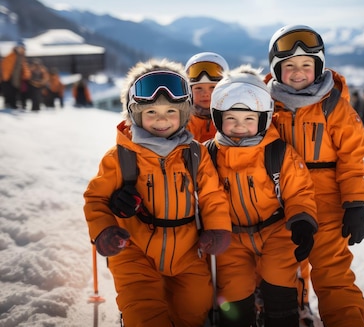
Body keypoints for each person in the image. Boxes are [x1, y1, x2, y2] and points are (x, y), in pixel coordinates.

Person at [83, 59, 232, 327]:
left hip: (188, 251)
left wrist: (218, 228)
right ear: (135, 115)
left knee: (194, 309)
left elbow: (212, 196)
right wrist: (104, 230)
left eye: (170, 112)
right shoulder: (121, 156)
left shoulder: (195, 154)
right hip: (134, 250)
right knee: (145, 313)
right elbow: (96, 199)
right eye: (151, 112)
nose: (161, 120)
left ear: (184, 113)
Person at [266, 24, 364, 327]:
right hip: (280, 201)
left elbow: (352, 159)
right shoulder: (267, 105)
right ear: (276, 69)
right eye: (289, 66)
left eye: (306, 65)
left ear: (319, 67)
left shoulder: (334, 107)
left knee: (333, 275)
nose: (298, 72)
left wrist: (355, 204)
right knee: (283, 267)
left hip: (327, 205)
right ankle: (295, 309)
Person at [208, 64, 318, 327]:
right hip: (232, 236)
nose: (239, 127)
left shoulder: (277, 152)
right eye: (231, 118)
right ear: (218, 117)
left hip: (275, 230)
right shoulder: (210, 154)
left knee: (279, 278)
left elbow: (299, 191)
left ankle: (283, 319)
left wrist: (302, 220)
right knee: (234, 289)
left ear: (263, 118)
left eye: (248, 119)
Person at [184, 52, 229, 142]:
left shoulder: (231, 121)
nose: (205, 94)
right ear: (189, 92)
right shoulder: (182, 124)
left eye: (212, 87)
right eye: (198, 88)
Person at [1, 41, 31, 109]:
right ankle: (9, 104)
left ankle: (12, 104)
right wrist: (6, 78)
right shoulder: (11, 56)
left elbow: (24, 68)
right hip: (8, 78)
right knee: (9, 93)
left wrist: (26, 75)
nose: (22, 50)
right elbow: (6, 66)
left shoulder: (21, 57)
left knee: (14, 92)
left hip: (17, 79)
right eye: (20, 48)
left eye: (23, 48)